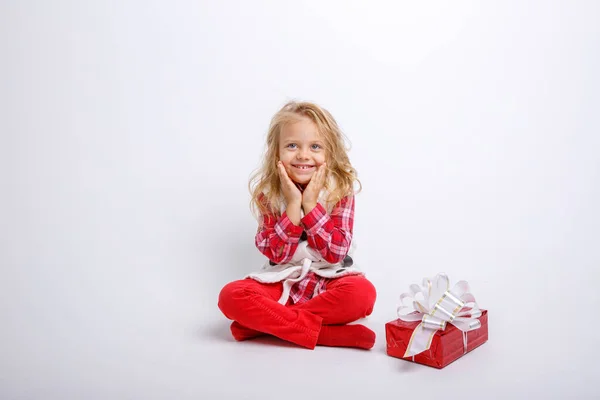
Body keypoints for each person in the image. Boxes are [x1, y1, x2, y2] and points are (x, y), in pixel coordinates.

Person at [217, 101, 376, 350]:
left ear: (330, 153)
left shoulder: (340, 190)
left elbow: (335, 253)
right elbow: (276, 254)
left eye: (315, 146)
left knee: (362, 294)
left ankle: (260, 325)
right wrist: (292, 205)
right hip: (282, 278)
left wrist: (311, 204)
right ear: (276, 153)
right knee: (231, 296)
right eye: (292, 146)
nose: (303, 155)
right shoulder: (268, 194)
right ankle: (327, 335)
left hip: (328, 278)